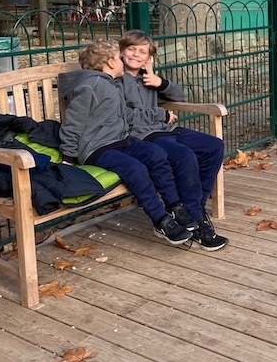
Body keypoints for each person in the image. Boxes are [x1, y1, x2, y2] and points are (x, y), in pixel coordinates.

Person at [58, 38, 193, 247]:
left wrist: (159, 115)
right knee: (136, 168)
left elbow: (127, 116)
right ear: (111, 62)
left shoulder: (110, 84)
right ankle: (161, 220)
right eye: (120, 58)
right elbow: (73, 123)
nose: (123, 61)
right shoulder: (90, 86)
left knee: (156, 154)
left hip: (118, 140)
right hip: (96, 148)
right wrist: (67, 157)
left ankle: (175, 206)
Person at [119, 30, 229, 251]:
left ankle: (194, 206)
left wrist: (159, 82)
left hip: (163, 129)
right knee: (183, 156)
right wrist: (160, 114)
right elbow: (124, 116)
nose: (135, 55)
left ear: (149, 58)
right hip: (140, 136)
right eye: (131, 49)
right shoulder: (116, 80)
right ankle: (197, 222)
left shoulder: (147, 78)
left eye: (142, 52)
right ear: (121, 51)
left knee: (213, 146)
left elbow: (179, 96)